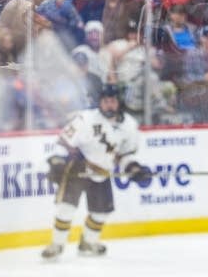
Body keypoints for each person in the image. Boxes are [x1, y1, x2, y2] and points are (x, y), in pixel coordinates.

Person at [41, 83, 147, 259]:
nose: (108, 104)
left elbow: (124, 155)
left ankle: (88, 243)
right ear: (100, 102)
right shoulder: (85, 119)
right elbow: (63, 142)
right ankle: (56, 245)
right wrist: (57, 160)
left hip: (102, 171)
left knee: (101, 212)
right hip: (79, 168)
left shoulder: (129, 126)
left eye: (112, 101)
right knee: (66, 207)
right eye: (105, 101)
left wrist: (134, 168)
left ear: (119, 102)